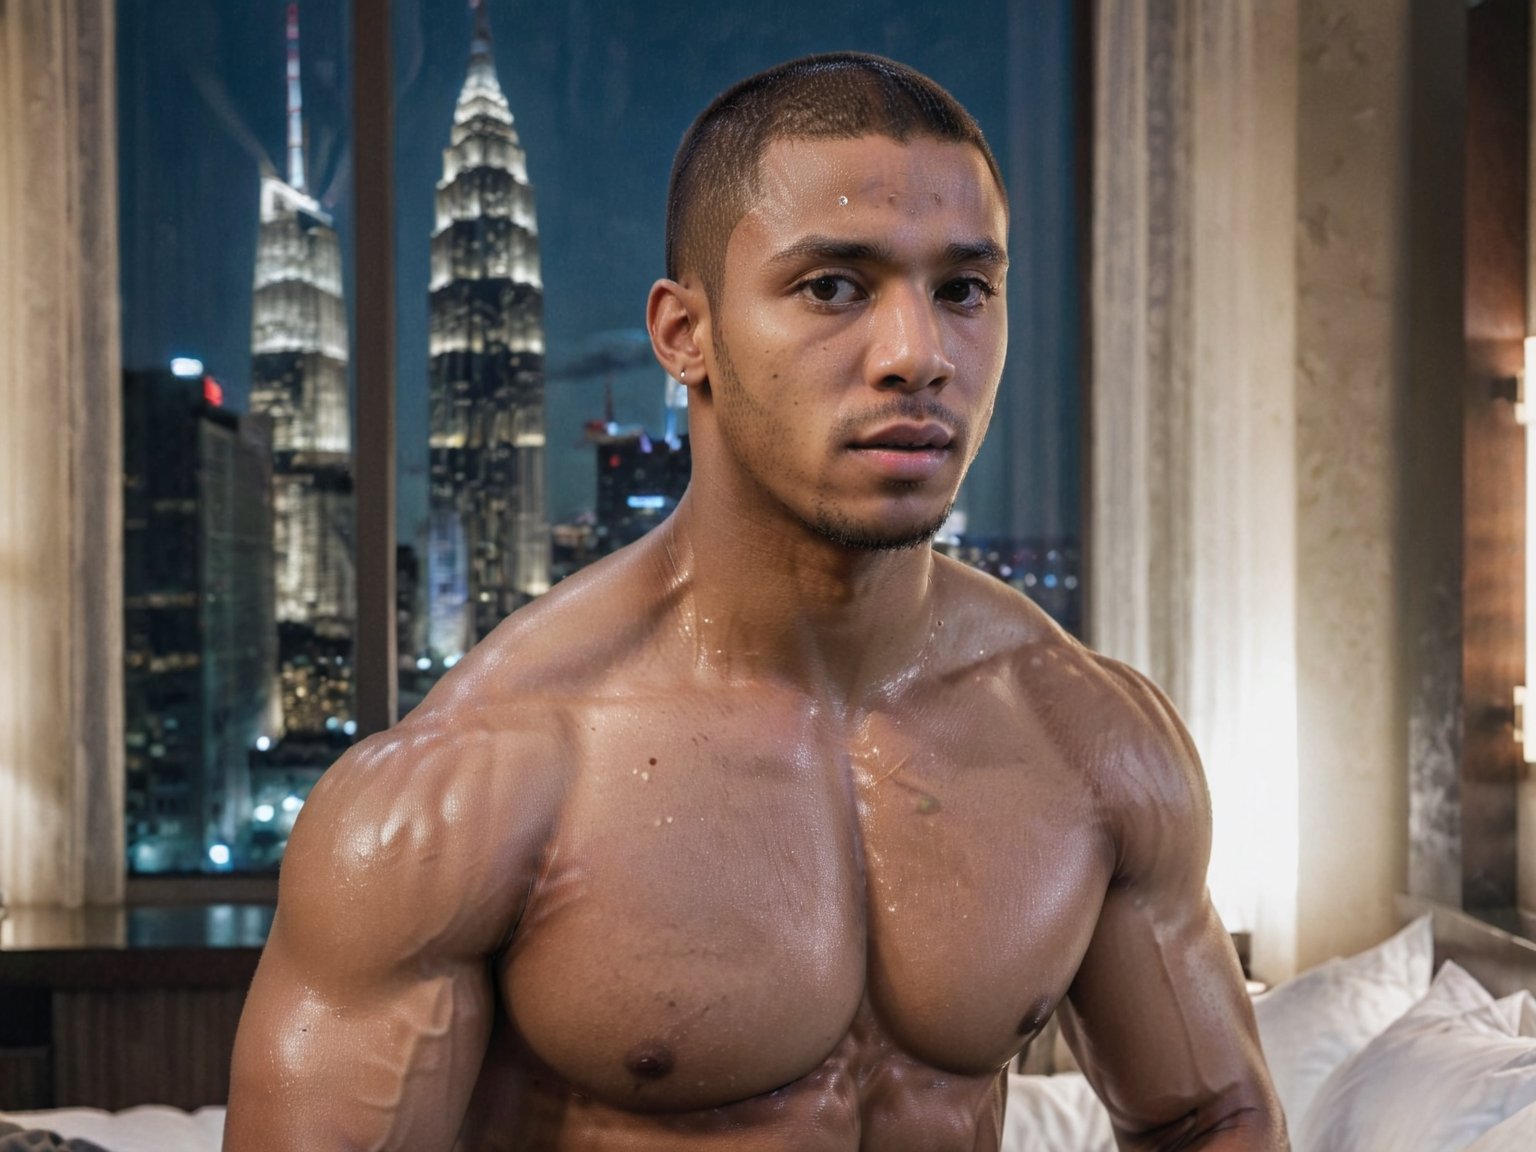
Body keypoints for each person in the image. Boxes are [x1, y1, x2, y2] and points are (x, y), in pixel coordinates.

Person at [225, 52, 1286, 1151]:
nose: (918, 354)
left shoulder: (1087, 739)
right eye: (833, 286)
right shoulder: (472, 788)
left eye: (963, 290)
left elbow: (1212, 1116)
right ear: (686, 335)